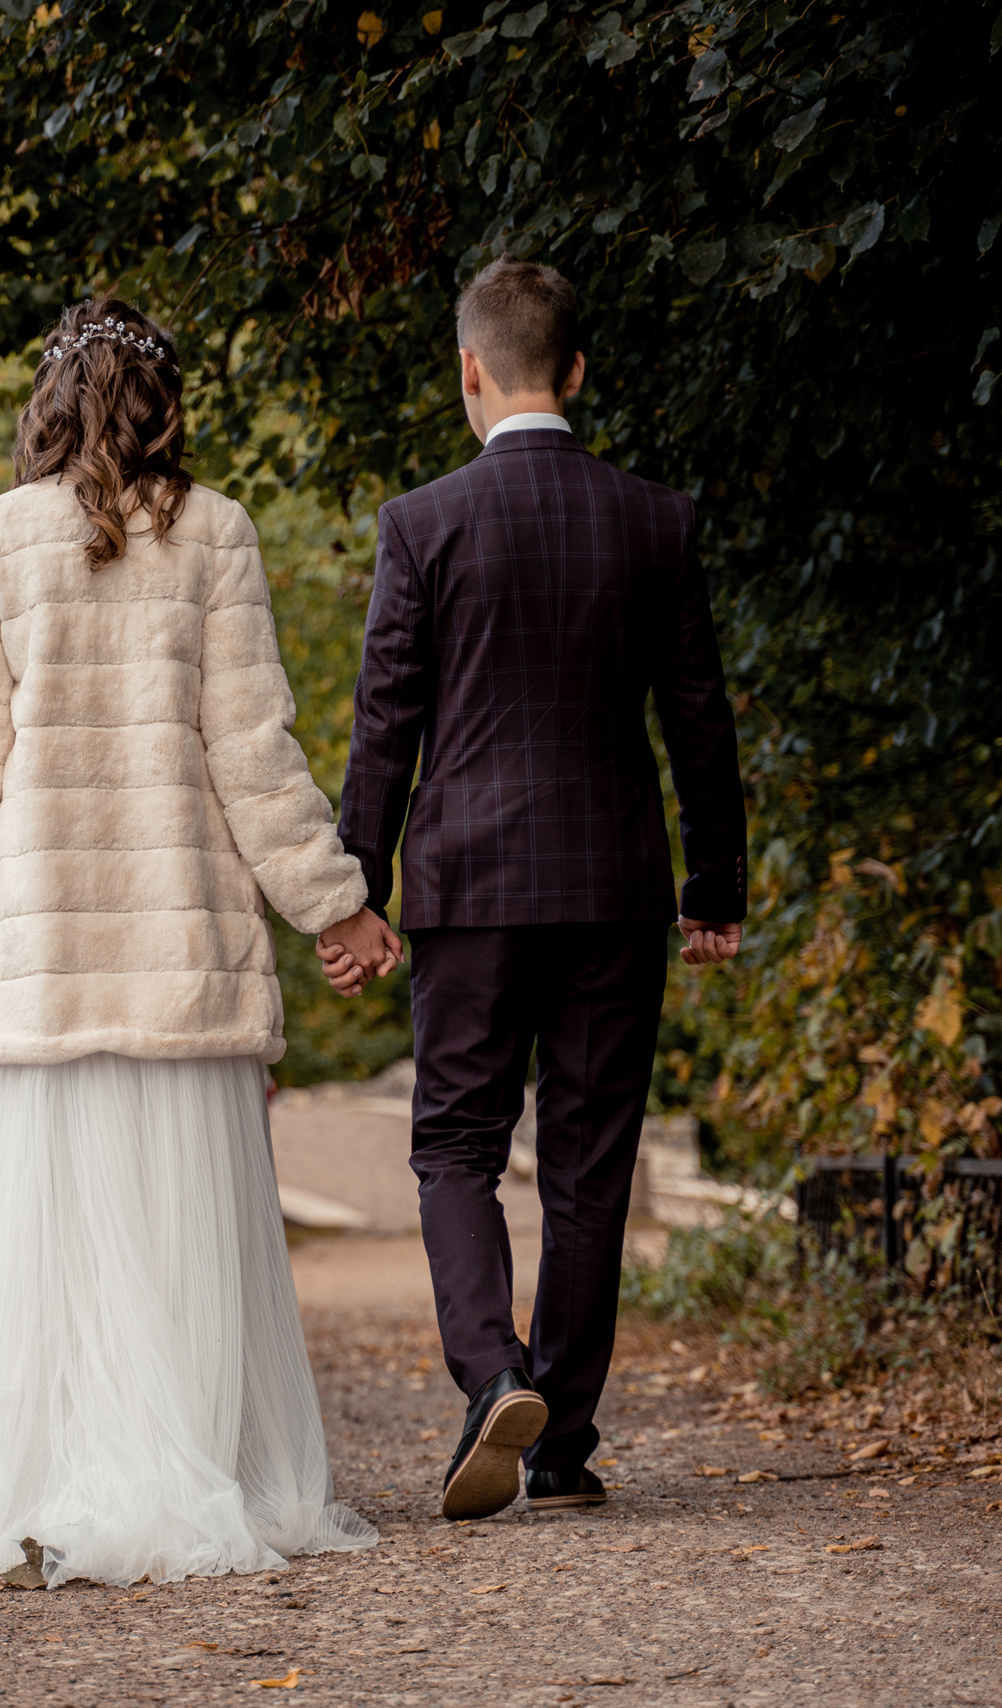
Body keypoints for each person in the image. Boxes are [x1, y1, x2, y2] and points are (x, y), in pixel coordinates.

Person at [0, 299, 392, 1588]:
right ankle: (182, 1477)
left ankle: (17, 1481)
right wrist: (334, 903)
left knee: (32, 1249)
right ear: (163, 407)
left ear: (46, 404)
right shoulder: (213, 533)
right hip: (175, 953)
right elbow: (254, 752)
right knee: (177, 1242)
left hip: (36, 964)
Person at [325, 258, 748, 1523]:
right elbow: (699, 720)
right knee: (587, 1163)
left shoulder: (423, 523)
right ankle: (557, 1441)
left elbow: (382, 726)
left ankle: (489, 1375)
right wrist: (712, 879)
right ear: (576, 371)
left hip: (463, 888)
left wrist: (354, 891)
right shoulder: (654, 518)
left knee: (455, 1142)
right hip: (612, 890)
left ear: (469, 371)